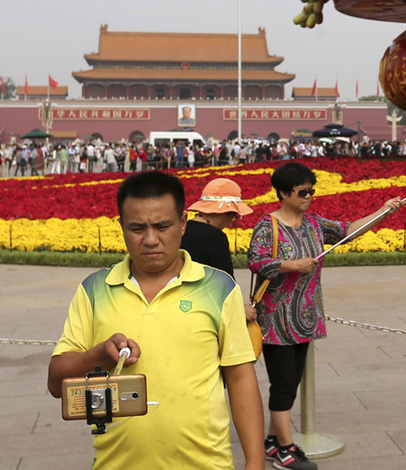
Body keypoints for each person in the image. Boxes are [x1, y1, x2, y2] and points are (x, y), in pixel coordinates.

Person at [47, 171, 265, 470]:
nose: (150, 240)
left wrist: (255, 462)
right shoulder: (94, 290)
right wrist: (99, 355)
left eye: (162, 226)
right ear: (121, 226)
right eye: (137, 228)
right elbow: (57, 382)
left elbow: (240, 378)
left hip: (206, 463)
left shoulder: (219, 288)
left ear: (183, 223)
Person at [249, 162, 404, 470]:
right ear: (282, 193)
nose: (308, 197)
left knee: (292, 383)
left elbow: (350, 230)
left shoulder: (314, 223)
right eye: (302, 192)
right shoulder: (269, 225)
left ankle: (272, 440)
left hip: (304, 316)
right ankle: (285, 449)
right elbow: (257, 261)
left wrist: (384, 210)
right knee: (283, 384)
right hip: (275, 320)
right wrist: (293, 266)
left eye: (311, 191)